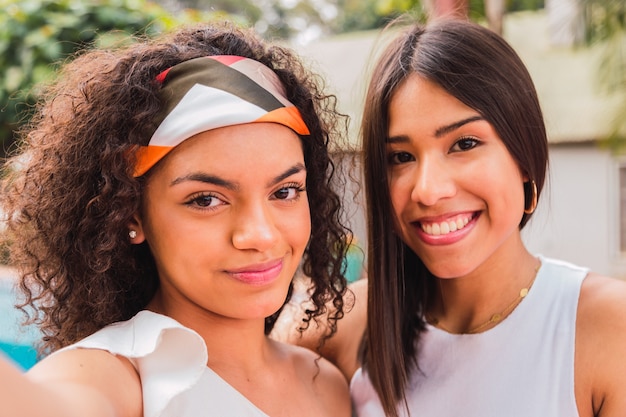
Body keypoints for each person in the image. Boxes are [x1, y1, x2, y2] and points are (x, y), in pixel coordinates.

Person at [0, 21, 352, 417]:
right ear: (131, 213)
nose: (260, 234)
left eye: (285, 192)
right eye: (206, 199)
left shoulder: (328, 384)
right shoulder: (114, 376)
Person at [283, 18, 626, 417]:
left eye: (464, 143)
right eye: (401, 157)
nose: (428, 189)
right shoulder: (339, 323)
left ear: (525, 159)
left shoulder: (608, 330)